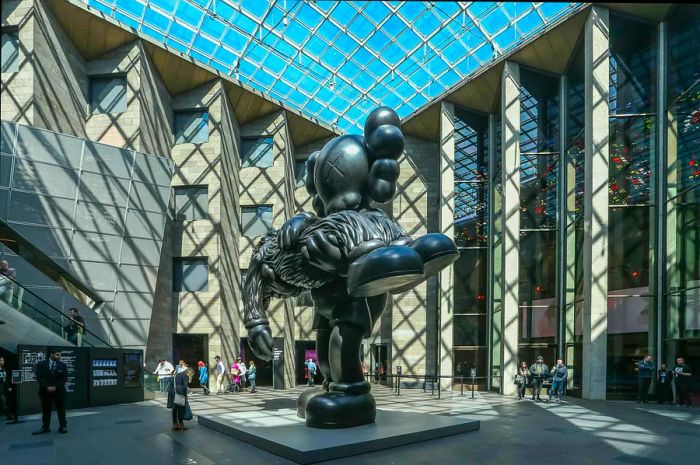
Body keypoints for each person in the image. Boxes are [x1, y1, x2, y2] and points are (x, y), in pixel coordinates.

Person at [33, 348, 68, 434]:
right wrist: (47, 387)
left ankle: (63, 426)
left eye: (60, 355)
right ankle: (45, 427)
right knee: (46, 410)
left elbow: (64, 378)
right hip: (45, 391)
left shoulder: (62, 365)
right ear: (51, 354)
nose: (59, 356)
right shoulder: (41, 364)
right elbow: (39, 377)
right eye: (57, 355)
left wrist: (55, 387)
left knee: (61, 409)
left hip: (59, 391)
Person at [167, 364, 191, 431]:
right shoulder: (185, 376)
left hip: (172, 393)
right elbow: (184, 387)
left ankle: (175, 425)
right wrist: (185, 397)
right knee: (181, 410)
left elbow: (171, 384)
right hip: (180, 394)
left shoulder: (177, 374)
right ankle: (181, 424)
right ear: (189, 372)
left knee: (174, 410)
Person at [0, 356, 14, 420]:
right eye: (1, 360)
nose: (3, 362)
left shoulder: (3, 369)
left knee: (4, 402)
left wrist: (8, 387)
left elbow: (5, 379)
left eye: (3, 360)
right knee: (3, 401)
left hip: (2, 389)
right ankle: (8, 416)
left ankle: (8, 415)